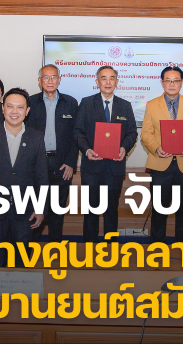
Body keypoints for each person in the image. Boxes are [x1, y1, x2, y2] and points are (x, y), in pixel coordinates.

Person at [0, 88, 47, 267]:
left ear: (27, 111)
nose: (15, 111)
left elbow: (41, 176)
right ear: (3, 109)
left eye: (20, 107)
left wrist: (40, 208)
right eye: (10, 106)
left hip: (25, 213)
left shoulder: (36, 137)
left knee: (21, 264)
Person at [74, 66, 138, 242]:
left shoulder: (125, 105)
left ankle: (111, 248)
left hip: (115, 167)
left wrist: (124, 147)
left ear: (117, 82)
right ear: (97, 82)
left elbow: (132, 133)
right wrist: (87, 150)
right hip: (91, 167)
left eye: (112, 78)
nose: (108, 82)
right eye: (104, 78)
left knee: (111, 210)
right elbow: (78, 131)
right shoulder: (86, 103)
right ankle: (89, 247)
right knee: (91, 210)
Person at [141, 66, 183, 244]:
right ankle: (157, 247)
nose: (172, 84)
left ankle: (182, 247)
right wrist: (156, 148)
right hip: (160, 165)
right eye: (168, 80)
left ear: (181, 83)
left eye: (176, 81)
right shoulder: (152, 105)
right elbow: (146, 133)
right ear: (162, 83)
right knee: (159, 210)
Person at [27, 65, 79, 242]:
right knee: (35, 208)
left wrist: (71, 162)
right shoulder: (30, 102)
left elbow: (76, 135)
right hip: (35, 165)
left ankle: (55, 249)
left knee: (57, 211)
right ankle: (30, 250)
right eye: (46, 77)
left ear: (59, 80)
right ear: (39, 80)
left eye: (53, 77)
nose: (50, 81)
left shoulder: (70, 103)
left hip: (61, 165)